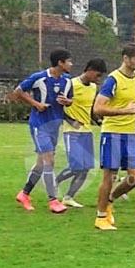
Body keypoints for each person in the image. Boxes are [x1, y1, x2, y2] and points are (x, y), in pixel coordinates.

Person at [13, 48, 74, 214]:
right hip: (39, 125)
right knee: (49, 161)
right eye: (69, 61)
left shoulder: (67, 81)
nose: (71, 64)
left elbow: (69, 101)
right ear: (60, 63)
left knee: (41, 163)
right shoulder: (39, 77)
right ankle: (53, 200)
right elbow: (18, 92)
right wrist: (36, 104)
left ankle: (24, 193)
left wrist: (67, 102)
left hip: (55, 126)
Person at [93, 44, 135, 231]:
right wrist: (125, 111)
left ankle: (110, 200)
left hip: (131, 134)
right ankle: (100, 217)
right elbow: (98, 109)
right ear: (126, 58)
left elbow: (134, 103)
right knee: (110, 176)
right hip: (112, 134)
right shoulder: (113, 80)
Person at [55, 59, 107, 208]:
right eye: (97, 75)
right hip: (71, 131)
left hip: (86, 131)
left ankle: (68, 197)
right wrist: (71, 121)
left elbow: (90, 108)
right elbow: (58, 107)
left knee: (86, 167)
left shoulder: (92, 88)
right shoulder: (70, 84)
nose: (98, 79)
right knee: (76, 166)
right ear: (89, 70)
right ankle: (54, 182)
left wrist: (97, 120)